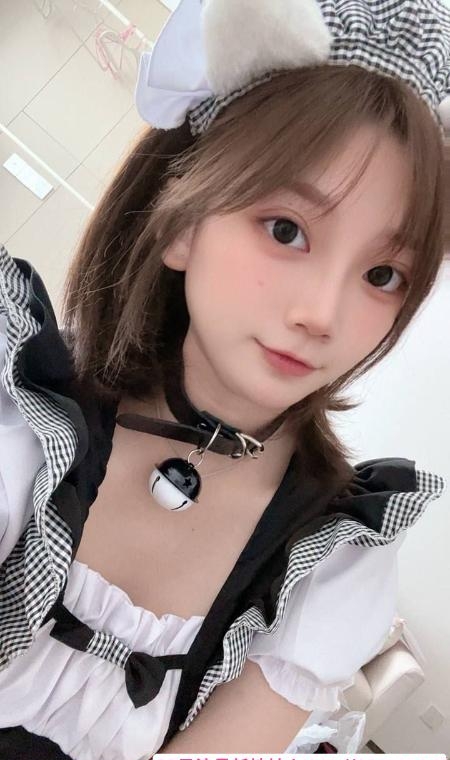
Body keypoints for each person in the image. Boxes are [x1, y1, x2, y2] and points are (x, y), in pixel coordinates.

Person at [0, 0, 449, 757]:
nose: (322, 314)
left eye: (382, 275)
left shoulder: (331, 558)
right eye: (286, 230)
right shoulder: (24, 412)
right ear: (182, 221)